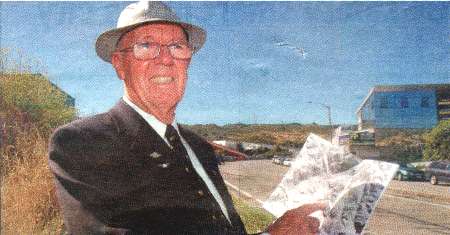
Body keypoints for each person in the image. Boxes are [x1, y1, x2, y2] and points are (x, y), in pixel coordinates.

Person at [48, 1, 325, 234]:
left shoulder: (200, 147)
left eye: (177, 47)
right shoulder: (83, 142)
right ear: (119, 64)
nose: (165, 59)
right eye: (146, 46)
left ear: (188, 61)